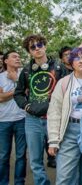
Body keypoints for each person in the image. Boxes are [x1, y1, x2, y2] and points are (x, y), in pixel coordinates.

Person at [47, 47, 82, 184]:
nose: (81, 60)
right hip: (69, 131)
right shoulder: (63, 82)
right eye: (77, 58)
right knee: (64, 176)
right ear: (71, 63)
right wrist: (53, 140)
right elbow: (54, 111)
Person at [14, 34, 64, 185]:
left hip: (55, 119)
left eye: (40, 44)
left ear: (45, 46)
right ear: (29, 52)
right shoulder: (27, 70)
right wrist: (27, 106)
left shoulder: (59, 67)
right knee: (35, 161)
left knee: (62, 157)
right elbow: (18, 93)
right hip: (33, 121)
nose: (37, 49)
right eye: (33, 47)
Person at [0, 50, 26, 185]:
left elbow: (29, 93)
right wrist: (18, 90)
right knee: (3, 156)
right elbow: (0, 98)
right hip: (3, 121)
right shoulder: (0, 77)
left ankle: (19, 182)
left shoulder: (25, 75)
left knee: (21, 156)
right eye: (14, 56)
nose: (18, 58)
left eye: (19, 56)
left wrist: (16, 81)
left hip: (22, 119)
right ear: (6, 61)